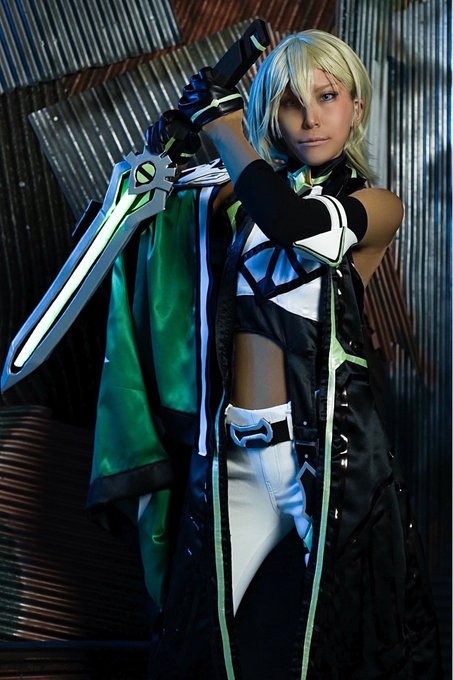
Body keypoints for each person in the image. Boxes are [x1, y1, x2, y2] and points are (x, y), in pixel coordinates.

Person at [88, 30, 440, 679]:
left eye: (327, 97)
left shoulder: (377, 206)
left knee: (356, 634)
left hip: (327, 456)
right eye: (290, 102)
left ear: (356, 107)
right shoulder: (235, 199)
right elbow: (142, 237)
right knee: (193, 636)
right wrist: (167, 146)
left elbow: (293, 224)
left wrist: (221, 128)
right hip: (234, 454)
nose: (310, 118)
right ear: (270, 115)